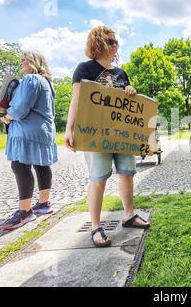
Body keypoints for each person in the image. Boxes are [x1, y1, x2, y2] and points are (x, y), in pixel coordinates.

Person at [64, 26, 150, 248]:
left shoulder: (121, 73)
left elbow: (128, 104)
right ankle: (95, 226)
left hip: (121, 133)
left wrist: (130, 90)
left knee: (127, 173)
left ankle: (128, 215)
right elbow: (76, 100)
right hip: (95, 133)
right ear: (98, 43)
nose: (115, 45)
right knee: (98, 178)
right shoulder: (84, 69)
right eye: (110, 41)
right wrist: (69, 129)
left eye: (116, 41)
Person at [1, 51, 57, 230]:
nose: (21, 62)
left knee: (19, 165)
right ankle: (44, 203)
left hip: (27, 131)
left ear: (34, 61)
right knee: (41, 165)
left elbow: (20, 108)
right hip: (43, 130)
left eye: (24, 59)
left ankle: (25, 212)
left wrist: (7, 116)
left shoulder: (31, 79)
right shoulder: (46, 82)